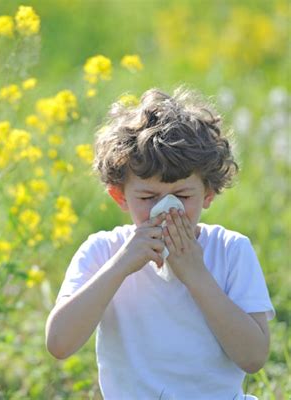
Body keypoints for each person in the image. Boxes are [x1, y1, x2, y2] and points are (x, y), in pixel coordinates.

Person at [45, 87, 275, 399]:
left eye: (182, 196)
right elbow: (59, 343)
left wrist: (195, 274)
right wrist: (121, 265)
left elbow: (253, 357)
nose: (166, 209)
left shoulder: (230, 250)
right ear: (119, 196)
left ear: (208, 194)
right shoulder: (103, 251)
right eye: (148, 197)